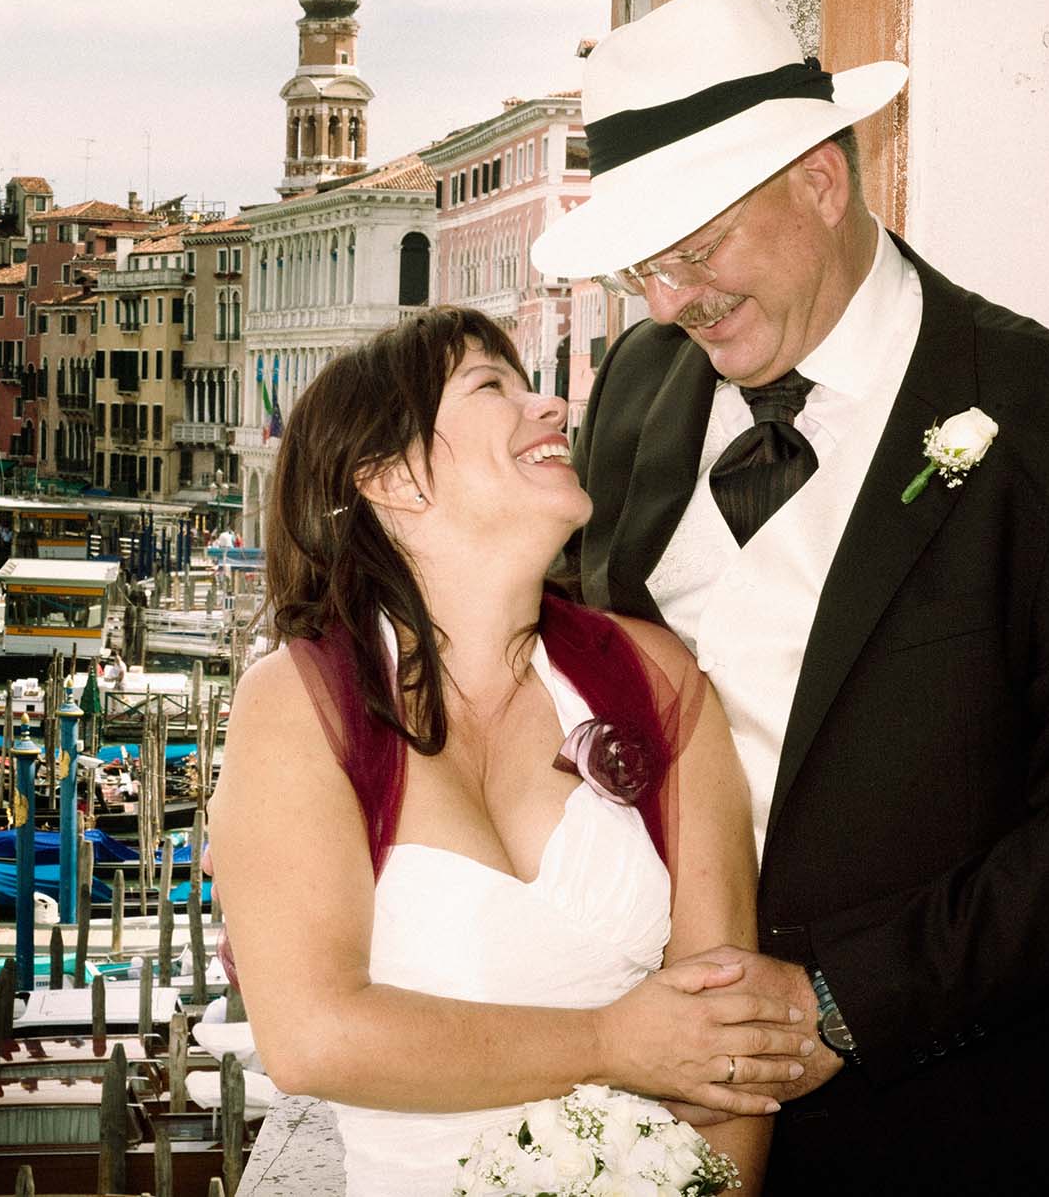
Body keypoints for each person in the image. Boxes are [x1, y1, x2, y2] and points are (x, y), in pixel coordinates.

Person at [535, 0, 1049, 1192]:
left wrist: (840, 1006)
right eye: (644, 267)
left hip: (962, 1127)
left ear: (821, 181)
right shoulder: (633, 383)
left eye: (695, 249)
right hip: (641, 1123)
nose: (671, 299)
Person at [209, 308, 805, 1197]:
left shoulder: (654, 674)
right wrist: (612, 1042)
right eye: (493, 386)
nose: (556, 407)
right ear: (394, 477)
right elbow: (312, 1036)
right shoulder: (298, 705)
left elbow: (728, 1041)